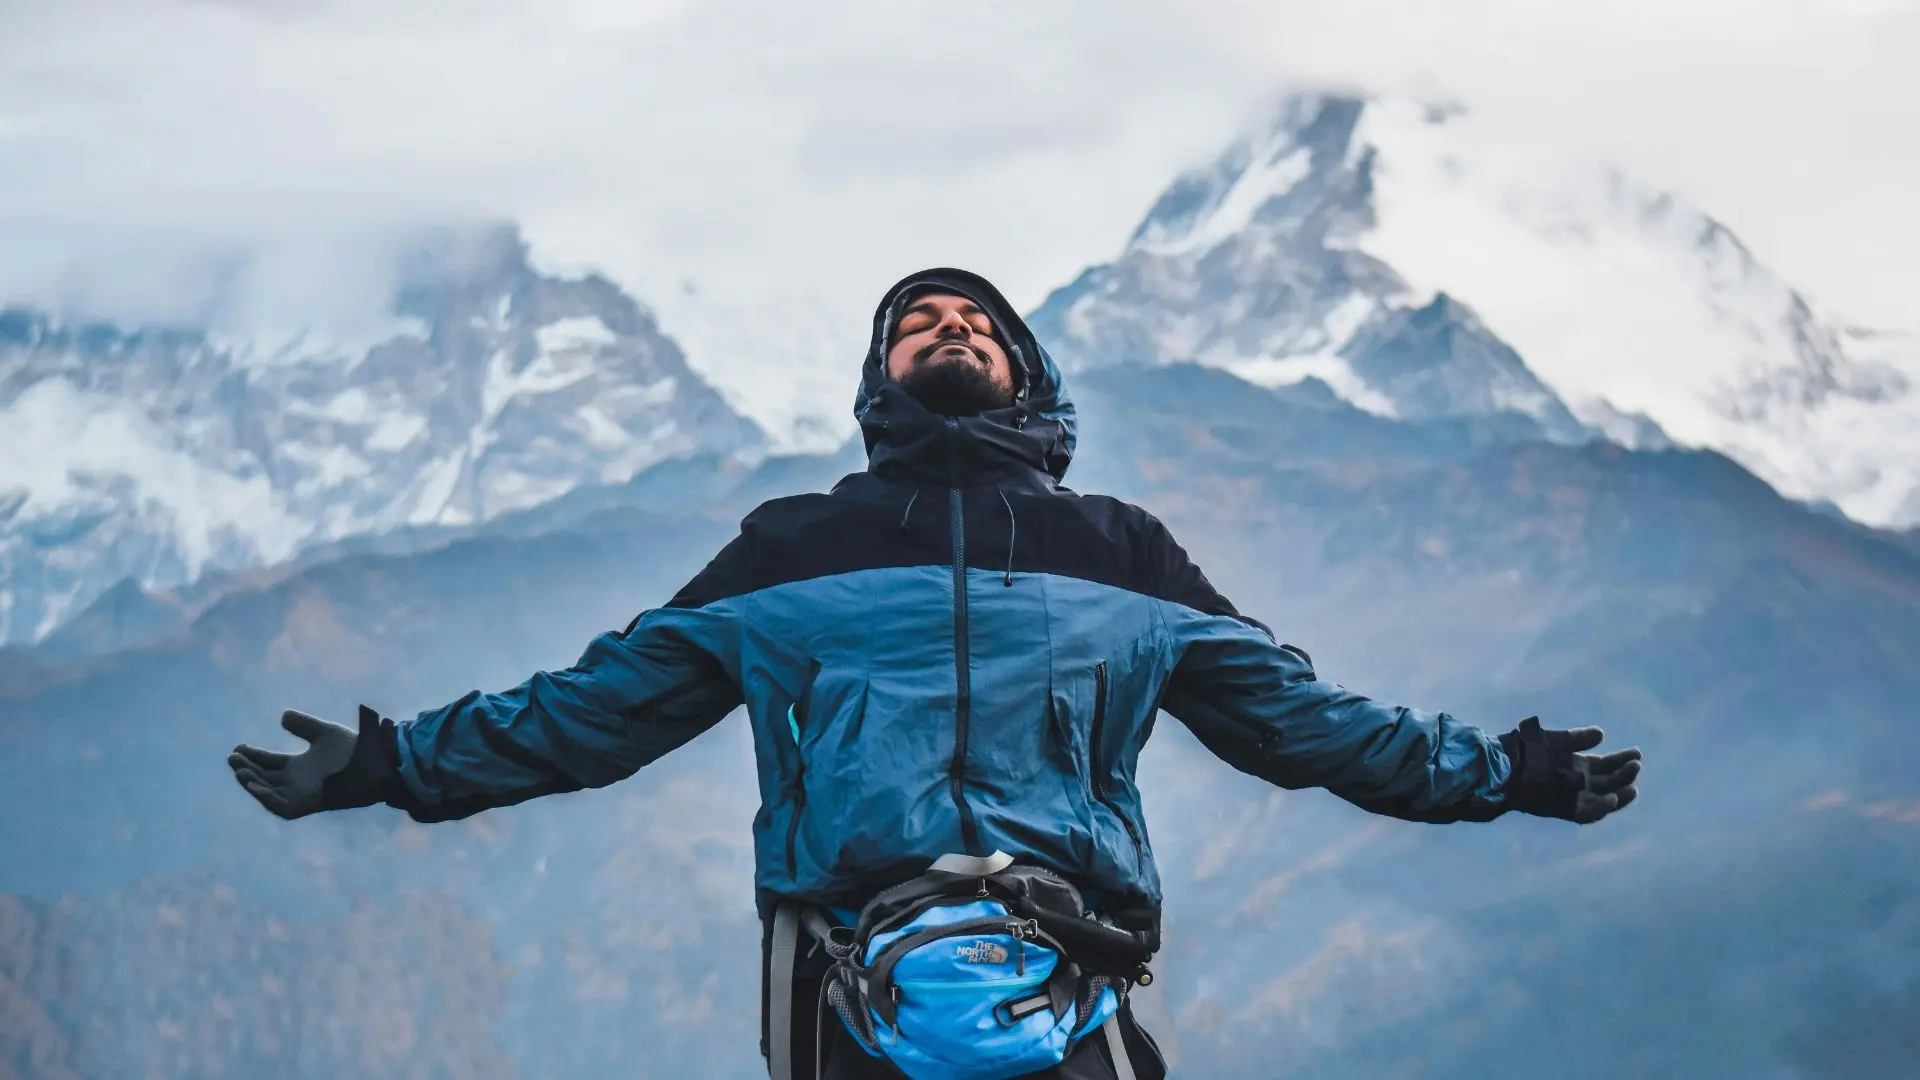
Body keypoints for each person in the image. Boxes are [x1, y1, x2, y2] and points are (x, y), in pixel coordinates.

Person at [228, 268, 1643, 1079]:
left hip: (1064, 982)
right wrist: (393, 764)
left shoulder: (1126, 554)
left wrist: (1501, 774)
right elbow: (597, 711)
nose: (953, 331)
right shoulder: (792, 551)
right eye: (922, 326)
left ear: (1027, 381)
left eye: (980, 324)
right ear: (882, 384)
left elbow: (1310, 725)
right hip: (849, 990)